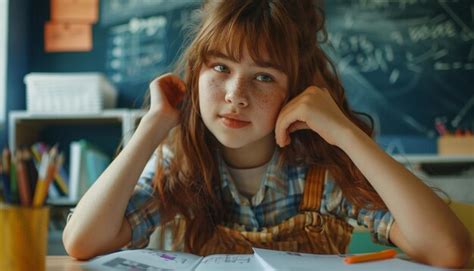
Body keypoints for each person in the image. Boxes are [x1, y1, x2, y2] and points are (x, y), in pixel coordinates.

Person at [62, 0, 471, 268]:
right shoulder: (183, 162)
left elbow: (449, 251)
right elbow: (82, 241)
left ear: (295, 92)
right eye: (220, 68)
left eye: (263, 76)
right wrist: (152, 126)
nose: (236, 96)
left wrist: (345, 133)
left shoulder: (321, 172)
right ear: (195, 74)